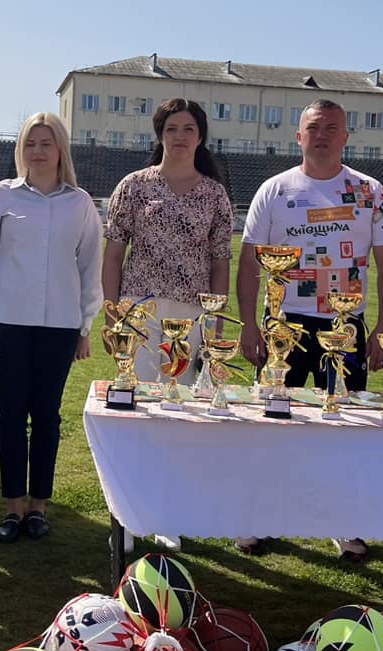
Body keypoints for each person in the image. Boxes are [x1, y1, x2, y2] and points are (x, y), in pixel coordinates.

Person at [238, 99, 383, 560]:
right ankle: (259, 519)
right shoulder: (274, 190)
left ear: (346, 137)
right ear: (299, 136)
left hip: (345, 325)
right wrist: (249, 324)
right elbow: (250, 263)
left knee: (344, 426)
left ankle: (343, 521)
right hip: (283, 324)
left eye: (332, 127)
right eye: (314, 127)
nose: (323, 135)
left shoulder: (370, 191)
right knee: (272, 423)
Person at [103, 98, 233, 552]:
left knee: (178, 413)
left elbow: (221, 261)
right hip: (140, 310)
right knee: (137, 410)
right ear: (160, 134)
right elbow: (114, 254)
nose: (180, 136)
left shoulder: (214, 194)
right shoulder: (134, 186)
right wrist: (113, 313)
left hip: (191, 315)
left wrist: (215, 323)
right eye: (172, 128)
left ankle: (167, 513)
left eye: (188, 128)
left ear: (200, 137)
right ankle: (128, 514)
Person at [0, 113, 103, 543]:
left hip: (60, 327)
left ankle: (39, 506)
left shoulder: (79, 203)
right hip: (8, 324)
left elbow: (90, 267)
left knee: (47, 416)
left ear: (61, 149)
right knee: (10, 414)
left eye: (46, 143)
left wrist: (85, 326)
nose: (38, 152)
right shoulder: (0, 196)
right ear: (20, 149)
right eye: (30, 143)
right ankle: (13, 506)